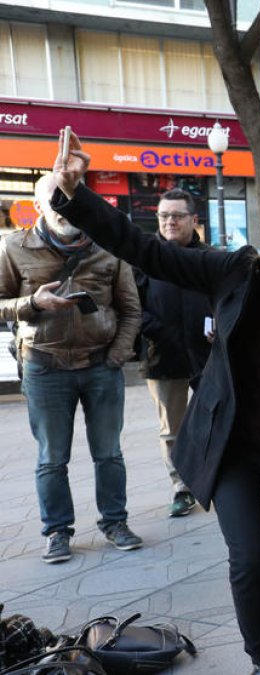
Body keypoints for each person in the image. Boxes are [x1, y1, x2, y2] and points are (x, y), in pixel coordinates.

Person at [51, 128, 260, 675]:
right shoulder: (236, 272)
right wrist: (75, 195)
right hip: (234, 449)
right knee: (248, 563)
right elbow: (143, 248)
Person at [0, 174, 142, 564]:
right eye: (53, 199)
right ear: (38, 205)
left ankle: (115, 522)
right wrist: (32, 303)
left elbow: (130, 309)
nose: (62, 206)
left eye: (68, 198)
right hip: (45, 366)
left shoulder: (109, 247)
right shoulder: (14, 246)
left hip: (101, 365)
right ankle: (57, 531)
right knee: (52, 457)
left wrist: (117, 356)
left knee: (109, 453)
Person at [140, 188, 212, 518]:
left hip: (209, 355)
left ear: (193, 219)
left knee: (222, 417)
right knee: (172, 429)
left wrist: (218, 322)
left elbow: (226, 300)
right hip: (163, 356)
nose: (170, 221)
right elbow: (131, 306)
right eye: (164, 215)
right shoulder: (145, 257)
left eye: (177, 216)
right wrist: (158, 331)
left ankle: (231, 477)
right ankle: (181, 487)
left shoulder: (209, 258)